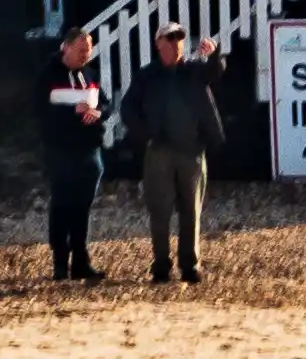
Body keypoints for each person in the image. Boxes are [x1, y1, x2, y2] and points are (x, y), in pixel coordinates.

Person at [121, 25, 227, 284]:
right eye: (170, 38)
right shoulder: (147, 76)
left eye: (179, 38)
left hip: (191, 152)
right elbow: (127, 108)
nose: (176, 43)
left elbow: (216, 70)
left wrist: (214, 55)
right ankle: (160, 265)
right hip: (159, 152)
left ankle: (189, 265)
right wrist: (145, 133)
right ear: (158, 43)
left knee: (191, 212)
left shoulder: (193, 71)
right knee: (159, 211)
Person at [39, 31, 110, 284]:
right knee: (62, 205)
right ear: (66, 48)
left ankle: (81, 262)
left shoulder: (90, 75)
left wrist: (98, 112)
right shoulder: (48, 75)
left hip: (90, 151)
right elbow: (40, 112)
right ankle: (60, 262)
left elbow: (106, 104)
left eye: (89, 49)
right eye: (81, 49)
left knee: (83, 207)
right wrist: (72, 112)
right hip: (61, 151)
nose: (86, 54)